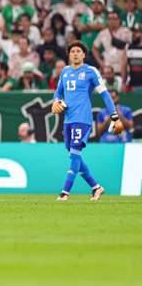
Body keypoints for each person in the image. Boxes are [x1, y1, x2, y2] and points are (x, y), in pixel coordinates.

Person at [51, 41, 124, 201]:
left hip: (82, 118)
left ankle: (65, 192)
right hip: (68, 119)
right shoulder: (64, 71)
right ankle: (96, 187)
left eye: (78, 51)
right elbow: (58, 92)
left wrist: (114, 116)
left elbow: (105, 94)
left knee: (75, 153)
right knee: (73, 154)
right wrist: (56, 101)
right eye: (72, 51)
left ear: (84, 55)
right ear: (69, 55)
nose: (75, 54)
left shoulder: (91, 71)